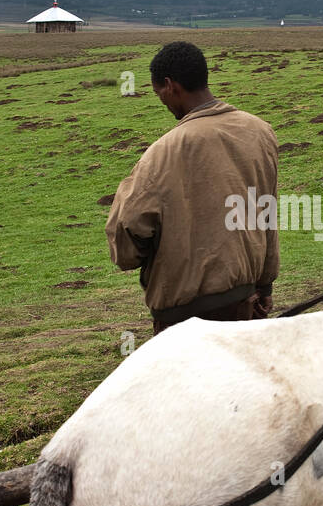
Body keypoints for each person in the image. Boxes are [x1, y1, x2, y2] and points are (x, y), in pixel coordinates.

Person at [106, 41, 279, 333]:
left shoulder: (163, 152)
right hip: (245, 301)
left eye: (158, 92)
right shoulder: (260, 132)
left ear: (170, 86)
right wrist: (265, 284)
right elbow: (267, 213)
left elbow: (128, 229)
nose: (161, 100)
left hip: (184, 316)